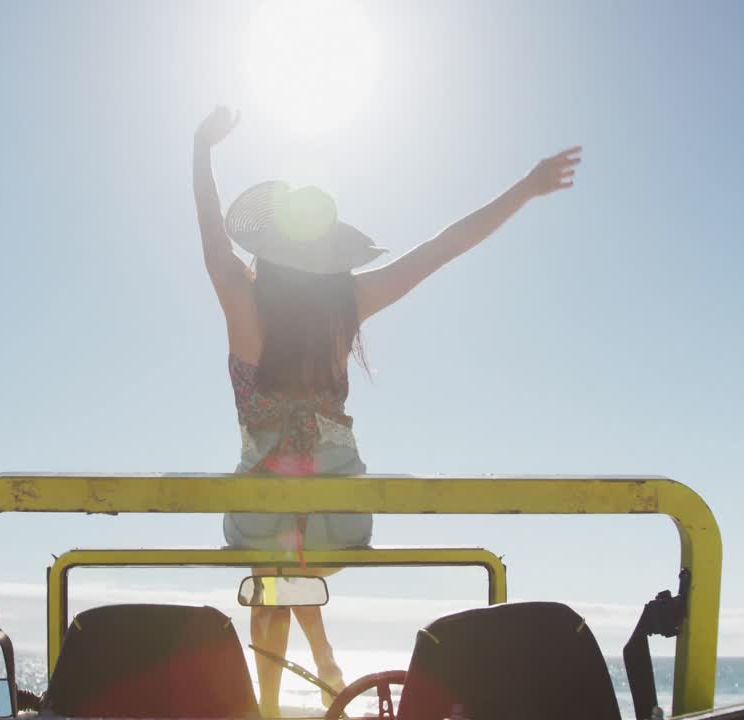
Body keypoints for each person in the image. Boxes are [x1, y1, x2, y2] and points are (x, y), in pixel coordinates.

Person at [192, 105, 580, 717]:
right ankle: (324, 668)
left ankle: (283, 695)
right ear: (330, 258)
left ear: (266, 251)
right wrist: (526, 189)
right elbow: (444, 247)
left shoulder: (241, 304)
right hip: (342, 517)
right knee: (284, 569)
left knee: (271, 562)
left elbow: (212, 234)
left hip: (261, 517)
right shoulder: (348, 306)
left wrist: (201, 149)